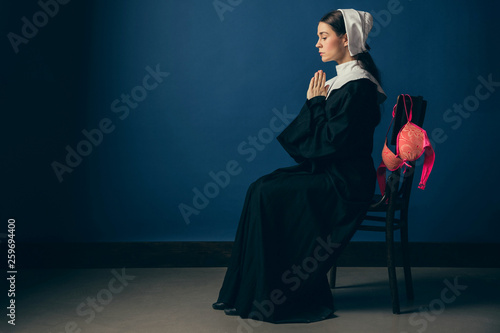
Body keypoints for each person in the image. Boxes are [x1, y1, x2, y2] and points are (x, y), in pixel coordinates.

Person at [212, 9, 387, 323]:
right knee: (261, 187)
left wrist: (316, 104)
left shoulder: (359, 85)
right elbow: (322, 144)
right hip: (333, 171)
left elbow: (331, 144)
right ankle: (253, 291)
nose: (317, 44)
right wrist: (315, 103)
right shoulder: (344, 80)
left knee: (268, 193)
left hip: (345, 182)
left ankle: (279, 294)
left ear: (345, 38)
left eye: (324, 36)